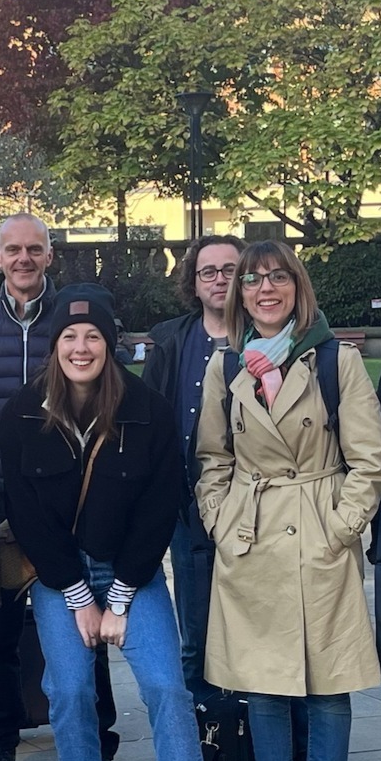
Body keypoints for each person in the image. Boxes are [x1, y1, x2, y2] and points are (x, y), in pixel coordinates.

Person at [195, 240, 381, 761]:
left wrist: (340, 526)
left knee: (328, 687)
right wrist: (220, 518)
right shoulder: (227, 365)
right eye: (254, 280)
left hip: (319, 532)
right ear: (241, 293)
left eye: (278, 277)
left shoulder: (336, 360)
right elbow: (213, 457)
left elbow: (371, 461)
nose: (266, 289)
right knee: (262, 689)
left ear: (297, 287)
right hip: (251, 535)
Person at [1, 284, 201, 761]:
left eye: (93, 336)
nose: (81, 348)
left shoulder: (147, 409)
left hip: (131, 569)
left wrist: (118, 599)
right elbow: (27, 514)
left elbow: (158, 510)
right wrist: (76, 595)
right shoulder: (23, 413)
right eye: (69, 336)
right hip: (60, 574)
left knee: (166, 687)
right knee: (69, 692)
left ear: (109, 345)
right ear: (55, 345)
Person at [0, 214, 117, 761]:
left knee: (87, 634)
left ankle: (98, 740)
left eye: (35, 249)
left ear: (50, 257)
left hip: (72, 511)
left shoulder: (76, 323)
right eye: (14, 250)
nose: (24, 258)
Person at [144, 234, 244, 704]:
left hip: (252, 509)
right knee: (196, 637)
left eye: (230, 269)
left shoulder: (267, 338)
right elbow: (149, 419)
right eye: (209, 271)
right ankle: (205, 739)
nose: (220, 279)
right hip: (188, 509)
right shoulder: (172, 340)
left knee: (254, 632)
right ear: (194, 281)